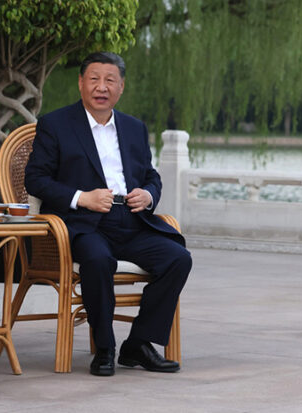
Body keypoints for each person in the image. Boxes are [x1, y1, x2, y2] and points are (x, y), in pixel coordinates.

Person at [24, 52, 192, 377]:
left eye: (110, 80)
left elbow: (151, 176)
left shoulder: (134, 128)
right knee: (99, 261)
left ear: (121, 87)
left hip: (130, 220)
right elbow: (36, 179)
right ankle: (105, 347)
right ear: (81, 83)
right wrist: (82, 198)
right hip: (83, 225)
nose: (101, 87)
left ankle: (139, 344)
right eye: (94, 79)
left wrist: (149, 195)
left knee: (177, 258)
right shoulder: (55, 124)